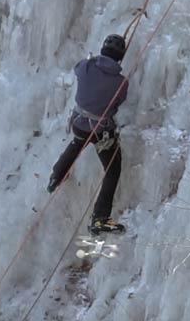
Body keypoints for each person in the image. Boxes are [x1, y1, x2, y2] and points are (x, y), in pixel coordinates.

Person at [47, 33, 130, 234]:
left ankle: (56, 177)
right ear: (120, 58)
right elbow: (117, 103)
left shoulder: (85, 67)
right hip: (102, 131)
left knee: (77, 142)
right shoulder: (121, 82)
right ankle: (100, 218)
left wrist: (93, 61)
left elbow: (78, 67)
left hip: (79, 124)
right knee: (112, 170)